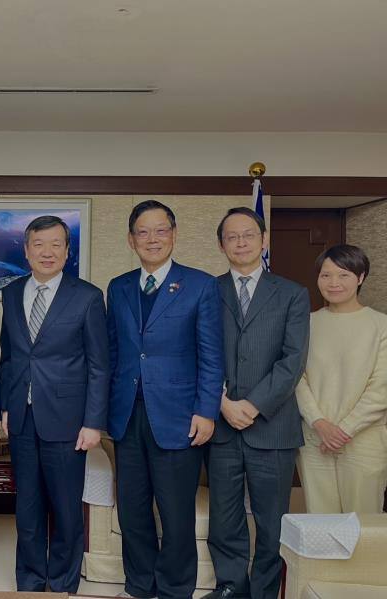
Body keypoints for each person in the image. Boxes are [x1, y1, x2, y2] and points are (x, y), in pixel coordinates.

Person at [106, 200, 224, 599]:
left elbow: (211, 355)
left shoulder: (201, 285)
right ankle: (139, 585)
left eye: (160, 230)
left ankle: (174, 589)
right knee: (133, 510)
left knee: (175, 514)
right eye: (143, 231)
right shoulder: (119, 287)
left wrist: (206, 411)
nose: (152, 239)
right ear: (130, 239)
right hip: (127, 415)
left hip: (178, 415)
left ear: (174, 235)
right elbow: (113, 351)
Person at [0, 215, 109, 593]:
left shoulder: (88, 296)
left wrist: (93, 422)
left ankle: (62, 583)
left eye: (56, 244)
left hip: (68, 418)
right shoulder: (11, 293)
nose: (47, 252)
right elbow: (9, 357)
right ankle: (29, 581)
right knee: (26, 509)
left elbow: (99, 364)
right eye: (39, 244)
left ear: (67, 250)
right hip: (22, 419)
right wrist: (5, 406)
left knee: (65, 510)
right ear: (26, 250)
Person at [204, 207, 310, 599]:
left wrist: (252, 404)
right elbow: (195, 354)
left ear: (264, 240)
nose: (241, 242)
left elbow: (292, 360)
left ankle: (265, 592)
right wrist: (222, 403)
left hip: (273, 424)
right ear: (221, 245)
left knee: (271, 521)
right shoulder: (207, 290)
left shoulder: (292, 294)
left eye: (248, 235)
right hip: (221, 423)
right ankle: (230, 586)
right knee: (225, 517)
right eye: (231, 237)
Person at [296, 244, 387, 514]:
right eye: (326, 275)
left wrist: (344, 430)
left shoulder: (380, 325)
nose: (333, 283)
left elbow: (381, 388)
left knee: (363, 524)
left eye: (343, 275)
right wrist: (320, 423)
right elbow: (297, 378)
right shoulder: (305, 323)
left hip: (364, 440)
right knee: (320, 523)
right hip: (315, 439)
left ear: (360, 278)